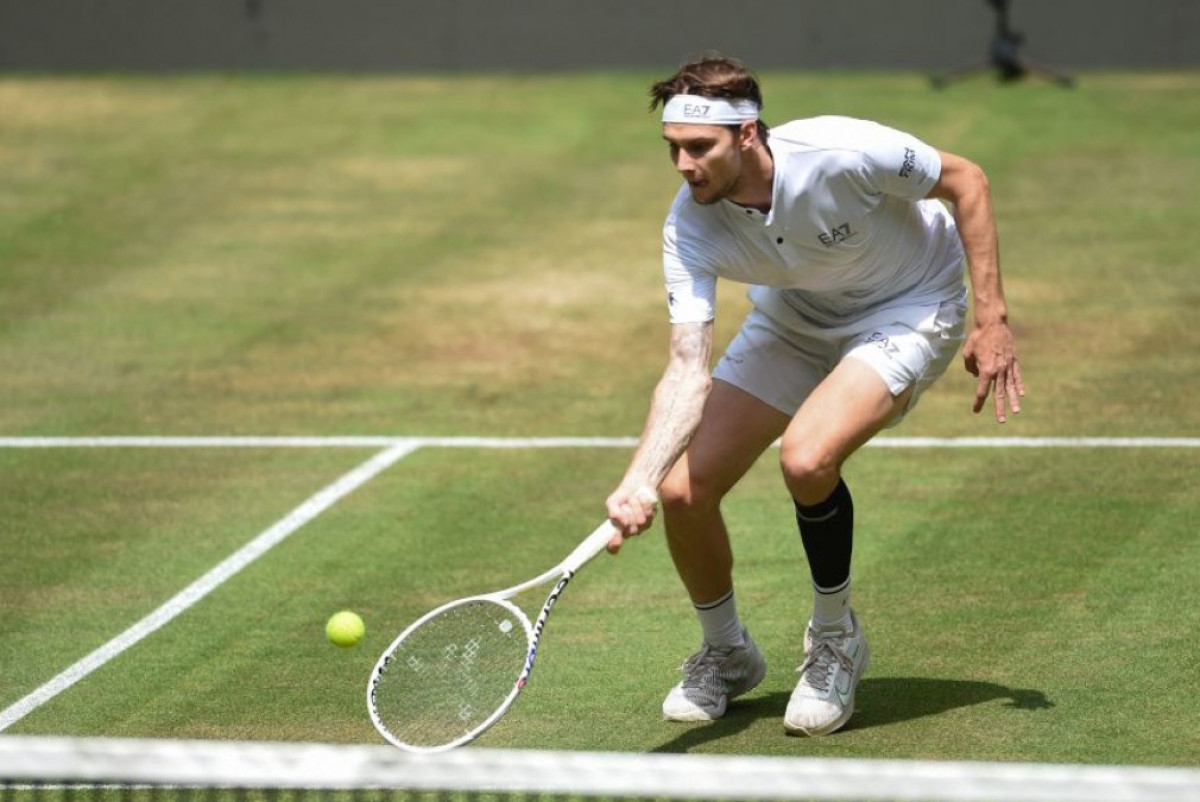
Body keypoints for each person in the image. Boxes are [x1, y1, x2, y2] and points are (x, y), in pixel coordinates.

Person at [602, 54, 1024, 737]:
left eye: (699, 148)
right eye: (673, 148)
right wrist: (639, 480)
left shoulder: (841, 152)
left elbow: (966, 180)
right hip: (794, 317)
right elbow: (686, 369)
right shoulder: (689, 228)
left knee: (807, 458)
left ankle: (835, 639)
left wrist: (992, 317)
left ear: (746, 134)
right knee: (682, 491)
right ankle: (728, 652)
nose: (683, 166)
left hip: (909, 304)